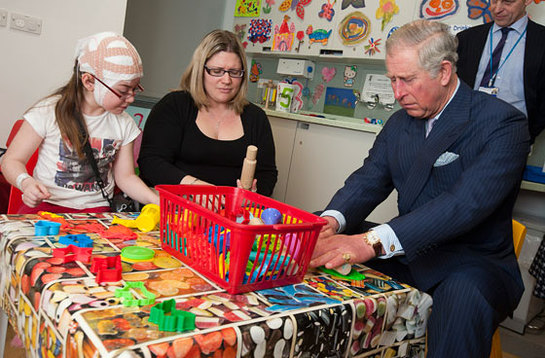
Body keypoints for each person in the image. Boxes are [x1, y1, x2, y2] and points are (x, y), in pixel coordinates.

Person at [310, 20, 530, 357]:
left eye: (408, 80)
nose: (397, 93)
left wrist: (369, 241)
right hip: (409, 253)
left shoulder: (502, 124)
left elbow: (462, 205)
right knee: (313, 235)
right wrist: (331, 222)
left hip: (469, 262)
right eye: (393, 79)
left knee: (462, 298)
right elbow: (370, 178)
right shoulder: (400, 123)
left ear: (443, 72)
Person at [1, 32, 159, 213]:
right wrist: (25, 182)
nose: (131, 98)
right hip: (46, 209)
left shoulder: (124, 123)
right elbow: (11, 160)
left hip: (95, 213)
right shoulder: (48, 111)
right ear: (89, 81)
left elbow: (126, 177)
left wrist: (155, 200)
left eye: (135, 88)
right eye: (123, 91)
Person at [138, 30, 278, 196]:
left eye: (234, 72)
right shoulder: (174, 106)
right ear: (200, 70)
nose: (226, 80)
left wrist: (253, 193)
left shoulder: (256, 117)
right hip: (178, 207)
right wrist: (199, 189)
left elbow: (267, 173)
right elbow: (151, 163)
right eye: (217, 71)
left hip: (232, 213)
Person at [456, 0, 545, 143]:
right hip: (462, 133)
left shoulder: (541, 41)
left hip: (513, 137)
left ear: (527, 1)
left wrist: (527, 135)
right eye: (494, 1)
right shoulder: (466, 39)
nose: (497, 9)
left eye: (507, 2)